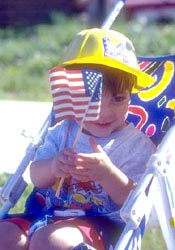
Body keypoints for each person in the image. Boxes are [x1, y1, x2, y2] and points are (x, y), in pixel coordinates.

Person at [0, 28, 155, 250]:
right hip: (41, 214)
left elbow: (136, 204)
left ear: (131, 96)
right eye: (91, 99)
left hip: (97, 226)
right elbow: (36, 176)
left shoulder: (136, 145)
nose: (103, 112)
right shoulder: (63, 131)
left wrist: (107, 173)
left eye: (118, 99)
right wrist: (53, 166)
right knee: (5, 235)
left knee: (50, 241)